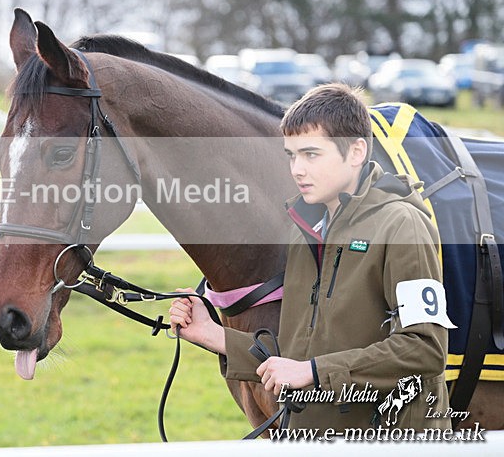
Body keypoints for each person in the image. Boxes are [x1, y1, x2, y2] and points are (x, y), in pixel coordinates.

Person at [170, 83, 453, 431]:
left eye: (311, 154)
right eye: (291, 155)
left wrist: (314, 373)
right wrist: (211, 334)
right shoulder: (307, 227)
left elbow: (425, 349)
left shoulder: (402, 226)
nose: (297, 170)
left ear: (356, 152)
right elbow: (296, 355)